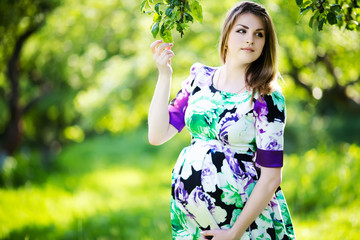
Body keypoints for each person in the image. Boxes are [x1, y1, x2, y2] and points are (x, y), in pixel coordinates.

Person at [148, 1, 296, 239]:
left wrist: (234, 233)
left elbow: (271, 178)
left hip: (244, 227)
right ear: (226, 36)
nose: (250, 39)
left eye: (259, 34)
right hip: (192, 225)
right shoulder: (199, 79)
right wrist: (164, 74)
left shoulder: (266, 97)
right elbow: (157, 134)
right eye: (242, 31)